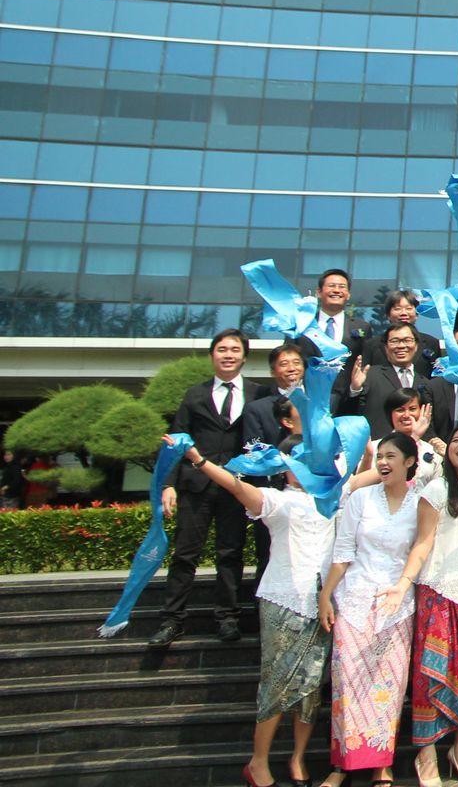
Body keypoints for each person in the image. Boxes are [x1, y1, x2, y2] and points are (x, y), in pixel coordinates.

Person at [179, 436, 333, 787]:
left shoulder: (333, 496)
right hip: (282, 597)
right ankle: (258, 761)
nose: (305, 468)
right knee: (276, 680)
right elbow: (235, 486)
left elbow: (378, 470)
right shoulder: (277, 500)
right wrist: (199, 460)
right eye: (298, 461)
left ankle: (298, 759)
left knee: (312, 683)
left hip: (323, 600)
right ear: (284, 466)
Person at [397, 420, 458, 787]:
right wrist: (403, 583)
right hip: (439, 590)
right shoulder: (437, 489)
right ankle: (426, 755)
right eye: (457, 440)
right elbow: (423, 542)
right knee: (431, 672)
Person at [318, 434, 422, 787]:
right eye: (380, 456)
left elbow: (420, 551)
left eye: (391, 456)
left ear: (409, 461)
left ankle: (382, 762)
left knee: (389, 686)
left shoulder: (420, 503)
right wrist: (326, 596)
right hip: (354, 600)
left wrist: (403, 588)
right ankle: (341, 765)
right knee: (347, 684)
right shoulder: (361, 498)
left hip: (396, 605)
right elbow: (343, 551)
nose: (383, 463)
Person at [153, 329, 265, 648]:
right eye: (221, 349)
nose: (228, 355)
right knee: (185, 554)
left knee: (230, 553)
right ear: (212, 355)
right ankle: (172, 620)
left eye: (234, 349)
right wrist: (169, 484)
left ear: (244, 356)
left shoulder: (258, 394)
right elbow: (177, 440)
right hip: (195, 485)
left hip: (236, 486)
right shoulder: (194, 394)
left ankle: (227, 618)